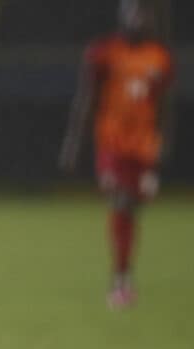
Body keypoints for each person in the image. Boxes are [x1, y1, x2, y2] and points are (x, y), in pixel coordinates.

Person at [60, 0, 174, 309]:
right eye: (134, 11)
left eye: (144, 12)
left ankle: (123, 274)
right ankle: (120, 282)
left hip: (143, 148)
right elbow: (87, 99)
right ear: (122, 15)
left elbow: (163, 106)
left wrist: (163, 144)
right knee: (121, 201)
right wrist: (73, 142)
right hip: (112, 144)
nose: (140, 18)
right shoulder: (104, 53)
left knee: (132, 209)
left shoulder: (160, 58)